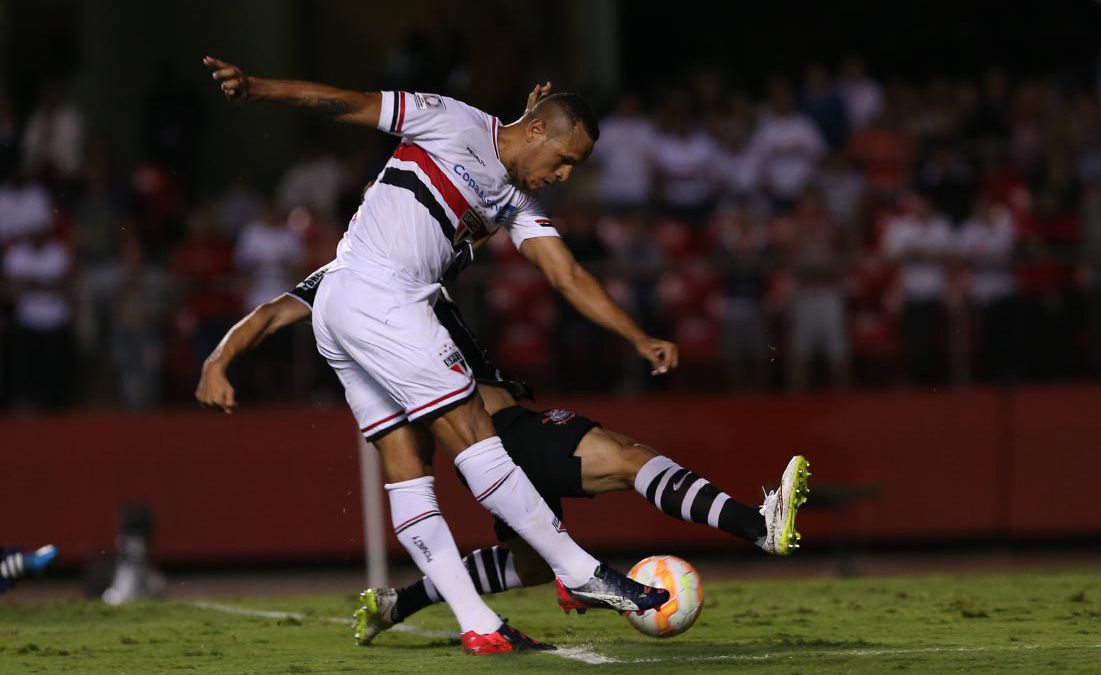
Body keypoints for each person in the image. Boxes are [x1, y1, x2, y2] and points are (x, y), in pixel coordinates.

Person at [203, 57, 676, 654]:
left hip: (347, 305)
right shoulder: (450, 120)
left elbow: (567, 273)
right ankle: (579, 570)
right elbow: (347, 101)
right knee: (476, 433)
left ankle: (478, 622)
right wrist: (260, 88)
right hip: (383, 296)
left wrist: (635, 336)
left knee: (409, 467)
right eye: (562, 160)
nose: (562, 175)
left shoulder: (510, 196)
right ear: (534, 131)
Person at [194, 267, 810, 646]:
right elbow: (271, 313)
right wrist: (218, 360)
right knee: (629, 458)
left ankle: (397, 603)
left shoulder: (402, 255)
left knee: (531, 565)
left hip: (479, 438)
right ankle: (760, 527)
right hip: (499, 427)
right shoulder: (352, 277)